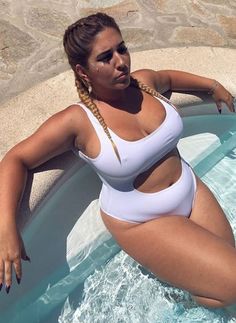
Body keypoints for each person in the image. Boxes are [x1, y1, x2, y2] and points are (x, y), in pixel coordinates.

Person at [0, 12, 235, 307]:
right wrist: (6, 226)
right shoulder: (78, 121)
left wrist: (212, 85)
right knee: (231, 286)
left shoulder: (143, 83)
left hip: (190, 189)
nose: (121, 62)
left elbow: (169, 77)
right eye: (105, 57)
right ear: (83, 72)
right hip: (143, 220)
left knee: (229, 274)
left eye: (122, 48)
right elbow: (17, 158)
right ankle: (181, 300)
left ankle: (181, 286)